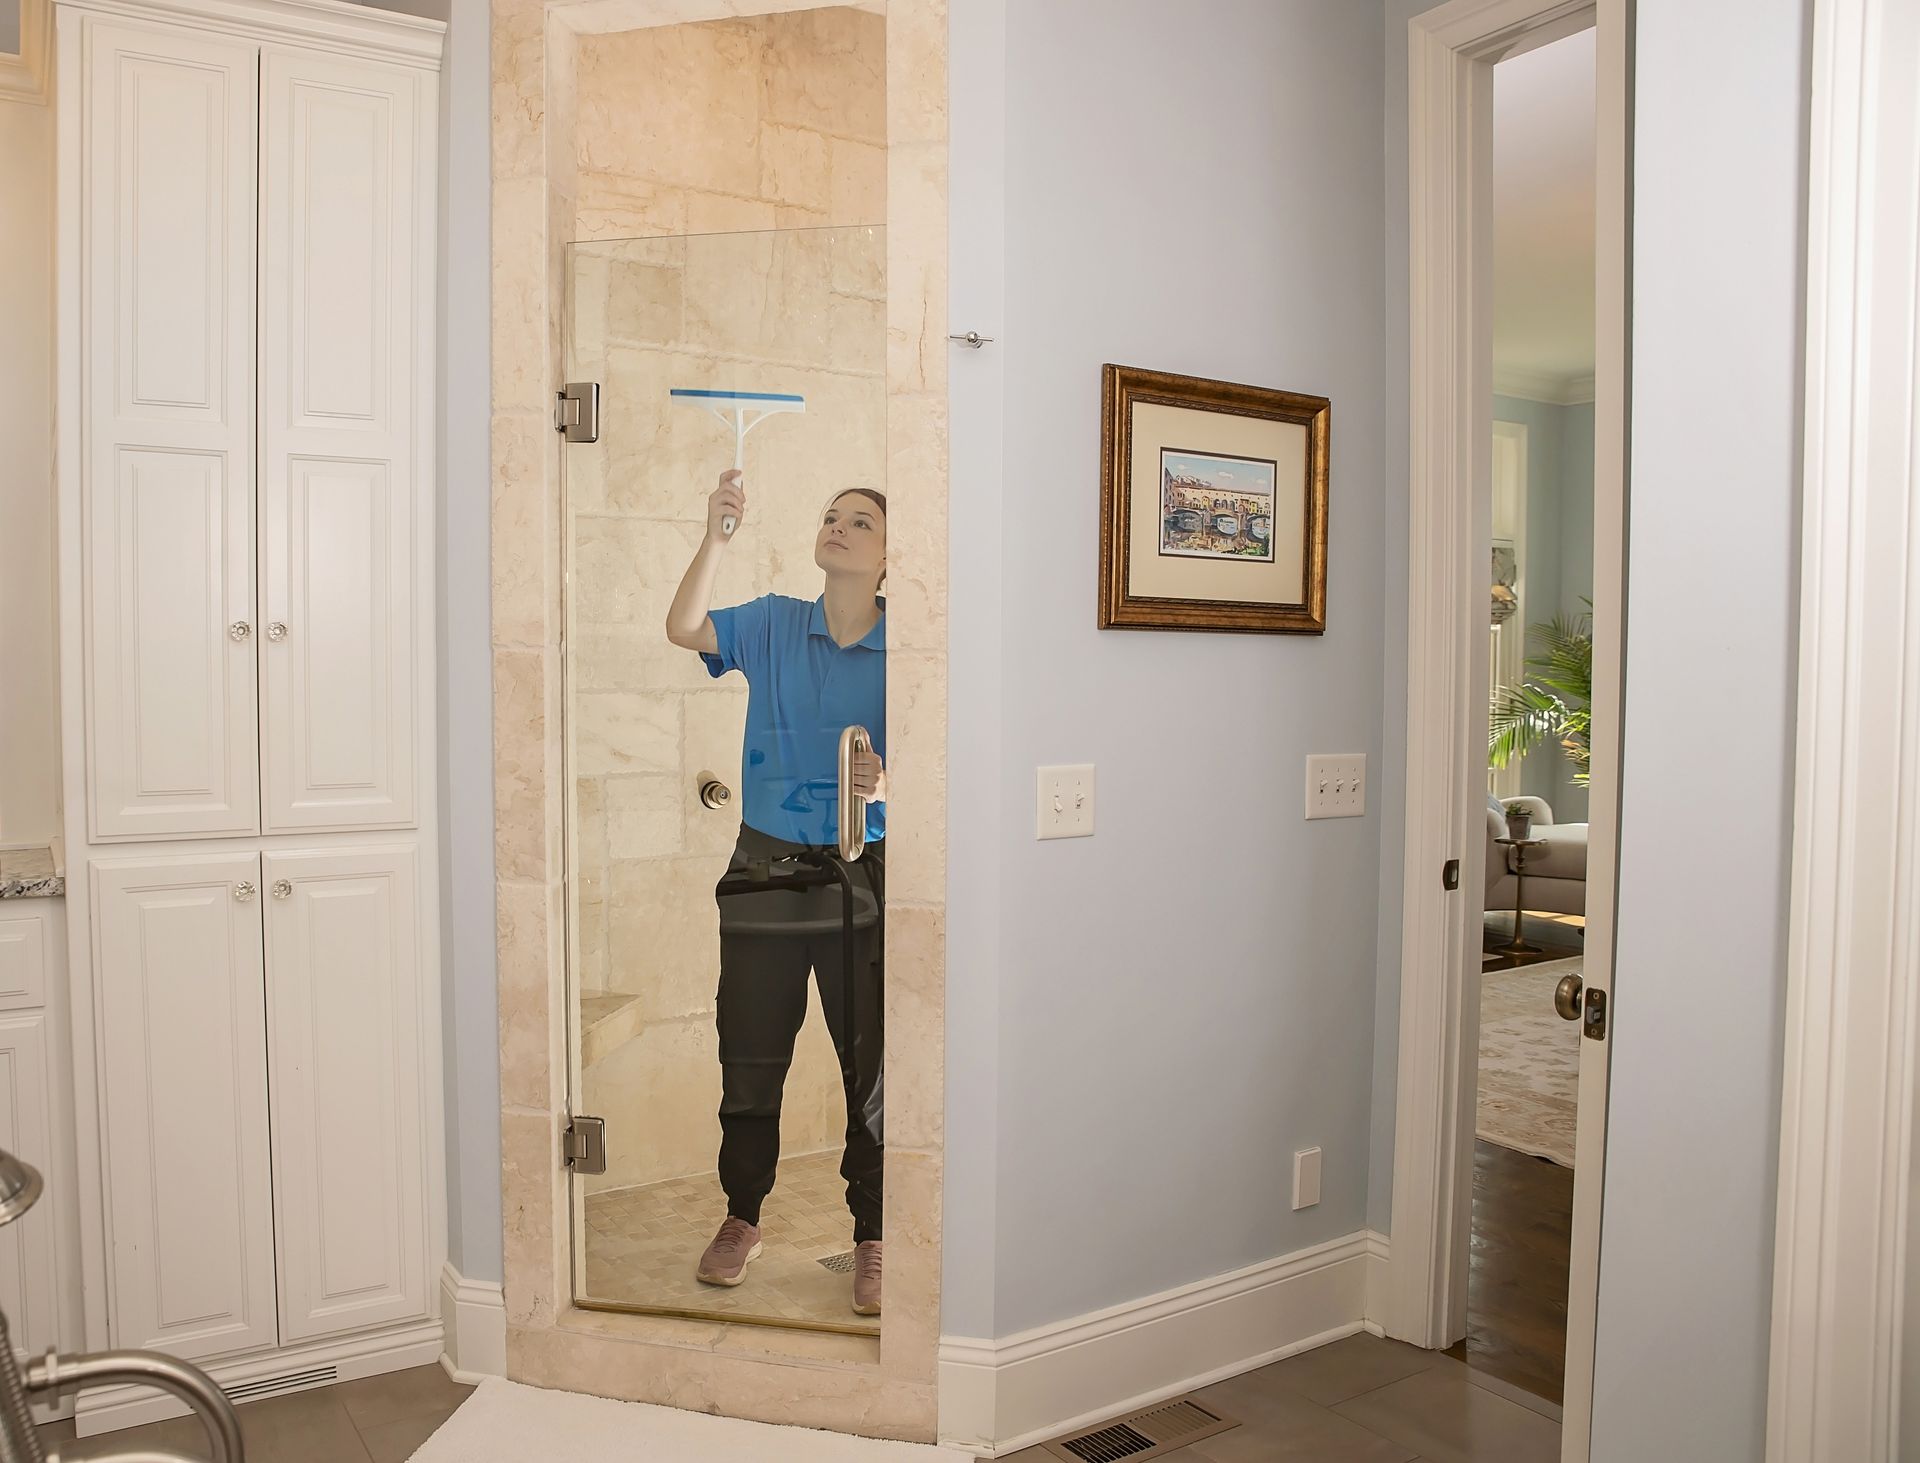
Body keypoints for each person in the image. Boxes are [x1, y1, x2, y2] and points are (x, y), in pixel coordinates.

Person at [664, 469, 889, 1317]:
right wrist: (716, 534)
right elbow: (685, 625)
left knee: (869, 1064)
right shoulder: (771, 622)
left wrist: (885, 778)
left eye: (859, 520)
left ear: (886, 555)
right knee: (750, 1057)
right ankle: (741, 1216)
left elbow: (936, 763)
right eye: (831, 515)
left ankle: (873, 1232)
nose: (838, 526)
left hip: (853, 874)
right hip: (762, 869)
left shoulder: (908, 648)